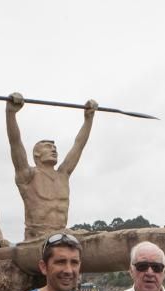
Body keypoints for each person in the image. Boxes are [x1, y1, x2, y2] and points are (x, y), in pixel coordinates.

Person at [6, 92, 97, 241]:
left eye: (54, 147)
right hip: (37, 237)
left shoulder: (63, 175)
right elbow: (15, 142)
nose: (53, 149)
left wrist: (89, 119)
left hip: (62, 235)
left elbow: (79, 145)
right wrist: (10, 113)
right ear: (36, 154)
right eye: (48, 147)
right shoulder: (27, 175)